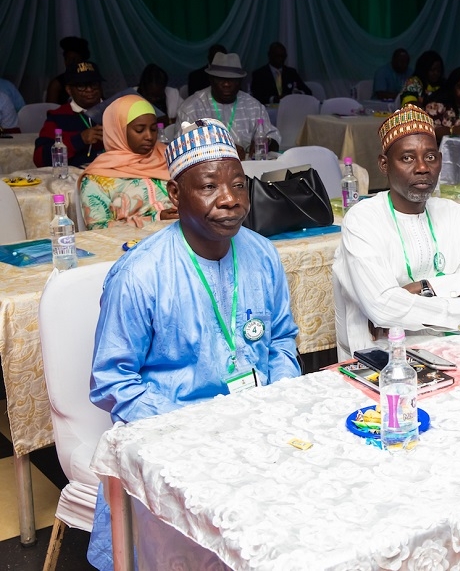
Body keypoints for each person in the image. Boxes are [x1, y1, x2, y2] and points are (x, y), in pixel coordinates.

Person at [87, 118, 301, 570]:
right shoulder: (141, 275)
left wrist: (277, 397)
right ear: (174, 195)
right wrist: (200, 428)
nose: (230, 200)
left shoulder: (262, 254)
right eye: (209, 187)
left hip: (259, 428)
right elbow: (112, 381)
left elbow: (281, 339)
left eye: (239, 185)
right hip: (177, 440)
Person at [332, 106, 460, 359]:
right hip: (388, 357)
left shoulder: (453, 213)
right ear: (384, 165)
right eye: (407, 158)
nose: (422, 167)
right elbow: (384, 307)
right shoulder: (363, 219)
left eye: (430, 157)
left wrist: (426, 287)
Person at [79, 95, 176, 230]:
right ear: (118, 131)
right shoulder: (97, 178)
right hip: (132, 247)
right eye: (139, 130)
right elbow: (98, 229)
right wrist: (155, 219)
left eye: (153, 129)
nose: (149, 136)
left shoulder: (171, 158)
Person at [176, 52, 280, 158]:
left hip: (249, 168)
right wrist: (222, 150)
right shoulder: (192, 107)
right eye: (220, 79)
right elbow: (181, 147)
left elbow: (273, 136)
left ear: (240, 81)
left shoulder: (253, 106)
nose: (227, 84)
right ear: (210, 79)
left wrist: (267, 141)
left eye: (232, 79)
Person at [34, 61, 104, 167]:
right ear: (69, 90)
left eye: (94, 84)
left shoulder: (116, 110)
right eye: (81, 86)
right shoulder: (57, 117)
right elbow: (40, 159)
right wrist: (79, 140)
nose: (89, 90)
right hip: (74, 177)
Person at [98, 63, 181, 125]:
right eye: (150, 96)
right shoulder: (130, 96)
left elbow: (184, 117)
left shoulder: (173, 94)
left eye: (158, 96)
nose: (154, 99)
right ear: (142, 87)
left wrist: (168, 121)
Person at [45, 36, 90, 104]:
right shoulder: (57, 84)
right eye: (67, 59)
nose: (70, 63)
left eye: (74, 59)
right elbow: (50, 109)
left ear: (82, 60)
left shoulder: (91, 78)